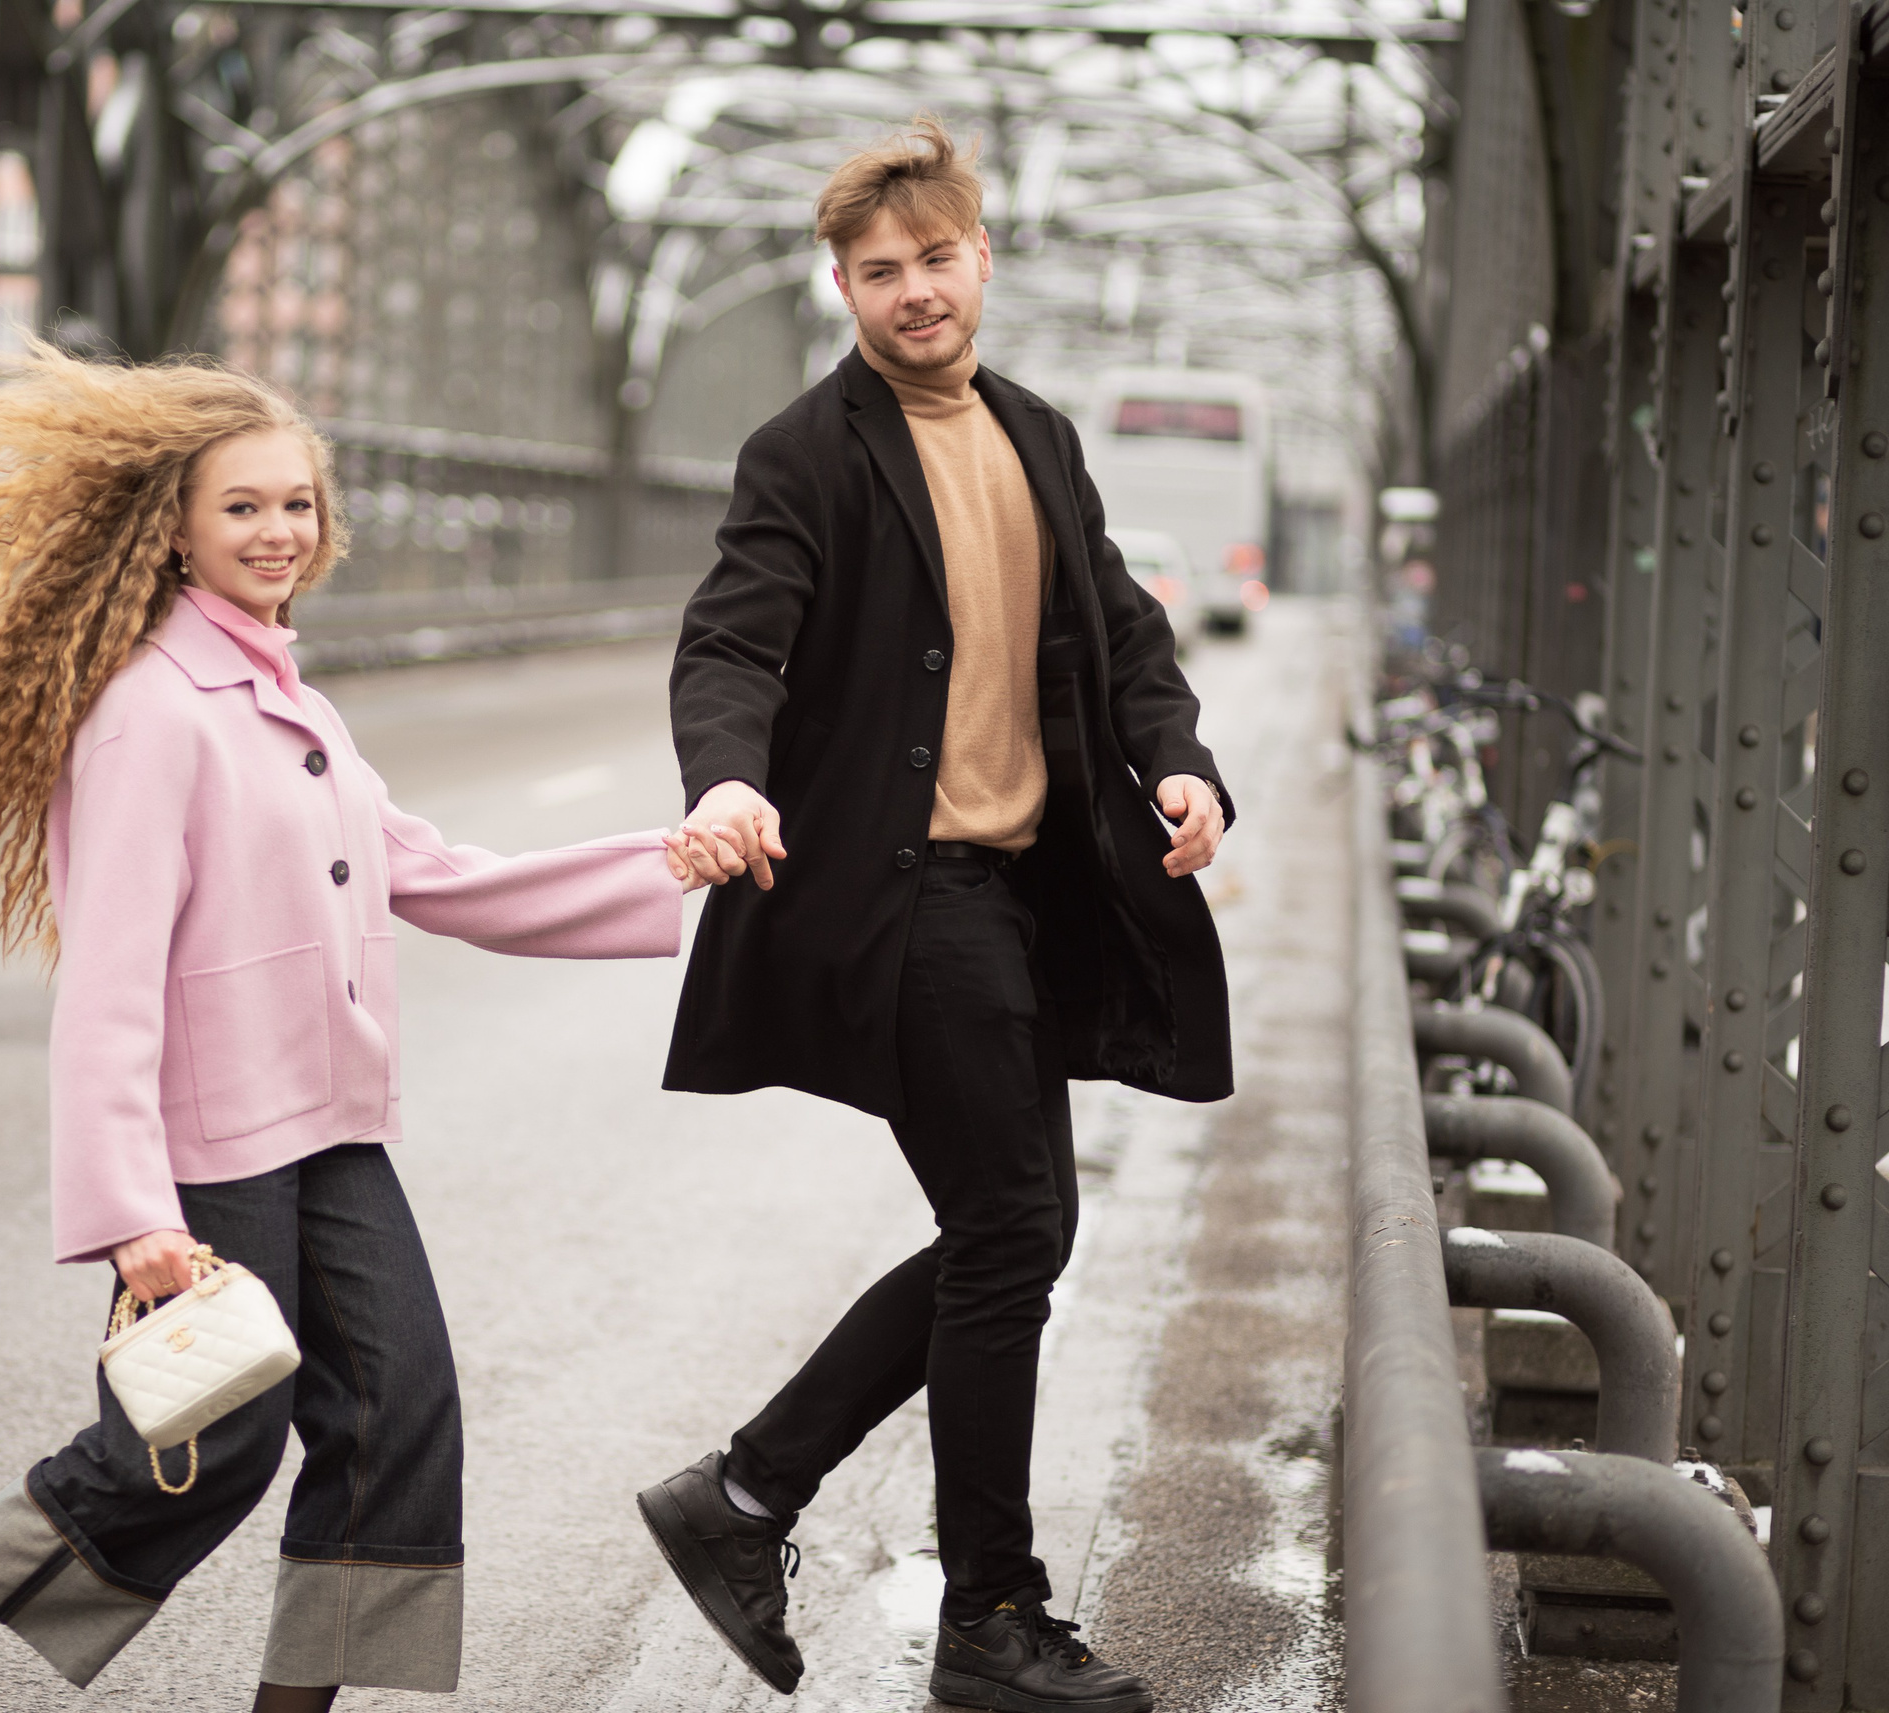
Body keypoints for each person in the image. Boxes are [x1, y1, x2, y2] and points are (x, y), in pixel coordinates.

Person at [0, 350, 735, 1713]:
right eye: (243, 507)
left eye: (298, 503)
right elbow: (109, 983)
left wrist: (678, 869)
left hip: (330, 1128)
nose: (279, 529)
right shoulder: (149, 714)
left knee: (399, 1418)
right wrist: (132, 1212)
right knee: (198, 1445)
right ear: (174, 526)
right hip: (212, 1147)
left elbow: (440, 872)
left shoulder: (290, 702)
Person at [641, 117, 1233, 1713]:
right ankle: (984, 1613)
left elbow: (1124, 634)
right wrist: (723, 781)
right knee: (1016, 1228)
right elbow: (729, 648)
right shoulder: (807, 452)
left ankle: (749, 1496)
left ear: (983, 258)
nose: (914, 292)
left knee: (1009, 1231)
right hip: (899, 901)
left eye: (937, 260)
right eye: (880, 272)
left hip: (1024, 896)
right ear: (843, 284)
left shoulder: (1038, 435)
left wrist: (1180, 763)